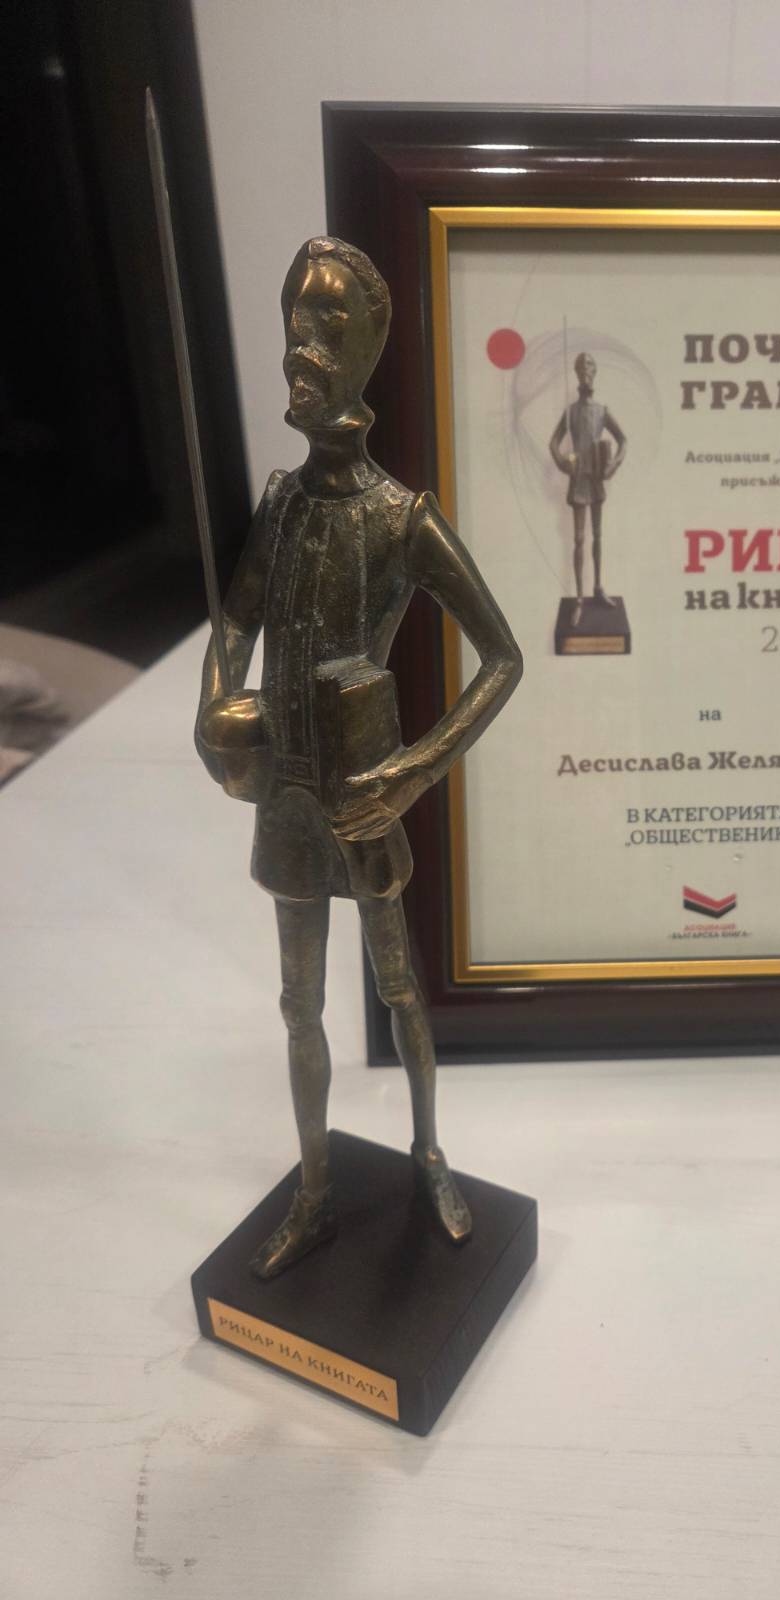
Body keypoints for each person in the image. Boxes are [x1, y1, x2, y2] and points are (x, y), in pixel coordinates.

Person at [195, 236, 522, 1278]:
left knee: (398, 989)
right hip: (287, 791)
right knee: (298, 1003)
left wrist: (413, 771)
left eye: (328, 324)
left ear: (367, 348)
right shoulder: (282, 504)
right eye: (296, 318)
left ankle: (428, 1152)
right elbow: (236, 621)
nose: (304, 343)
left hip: (366, 793)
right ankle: (316, 1188)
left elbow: (504, 659)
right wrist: (213, 707)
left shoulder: (401, 519)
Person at [549, 352, 627, 626]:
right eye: (581, 366)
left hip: (595, 478)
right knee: (580, 539)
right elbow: (554, 442)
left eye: (589, 366)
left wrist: (613, 464)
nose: (585, 370)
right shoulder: (571, 412)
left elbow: (623, 440)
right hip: (579, 479)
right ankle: (580, 597)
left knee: (598, 536)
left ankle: (597, 588)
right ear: (576, 372)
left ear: (595, 372)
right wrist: (562, 462)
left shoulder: (601, 410)